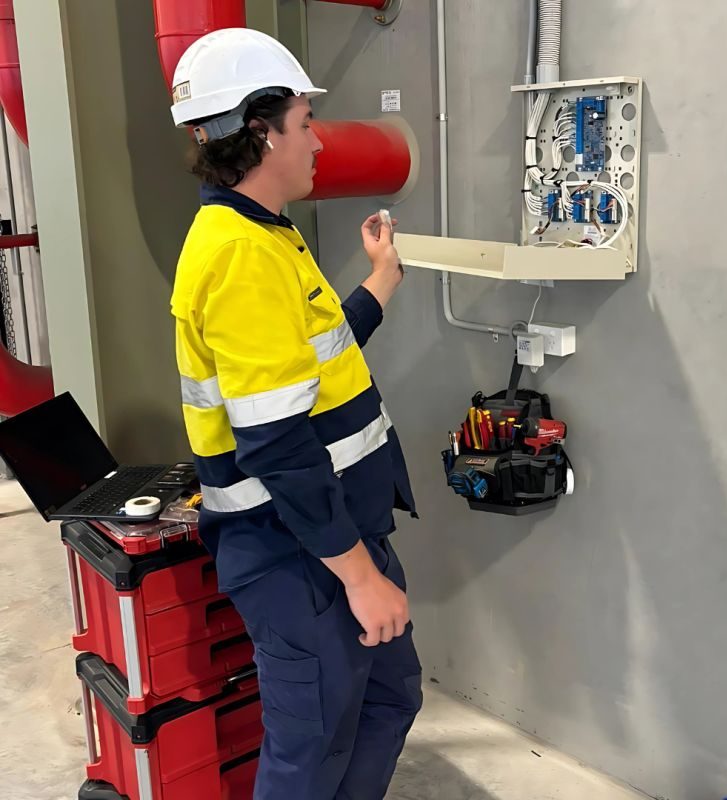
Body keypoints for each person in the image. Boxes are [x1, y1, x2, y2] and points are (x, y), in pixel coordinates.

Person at [169, 27, 421, 800]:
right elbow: (276, 441)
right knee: (312, 747)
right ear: (258, 129)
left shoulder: (267, 236)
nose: (318, 140)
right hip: (293, 549)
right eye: (306, 121)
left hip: (335, 531)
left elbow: (317, 357)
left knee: (386, 699)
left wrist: (381, 280)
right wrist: (357, 578)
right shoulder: (239, 256)